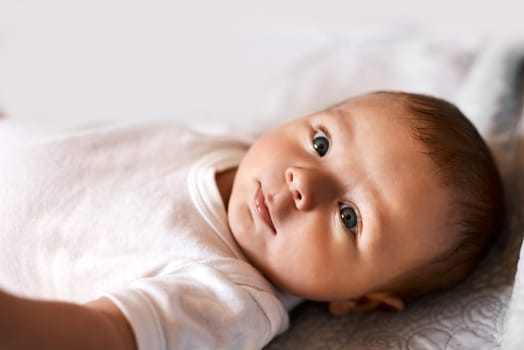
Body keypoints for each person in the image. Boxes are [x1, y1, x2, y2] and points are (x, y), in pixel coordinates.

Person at [0, 91, 504, 350]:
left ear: (361, 299)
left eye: (349, 217)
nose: (303, 180)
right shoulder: (234, 148)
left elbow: (100, 339)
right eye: (322, 143)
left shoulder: (228, 299)